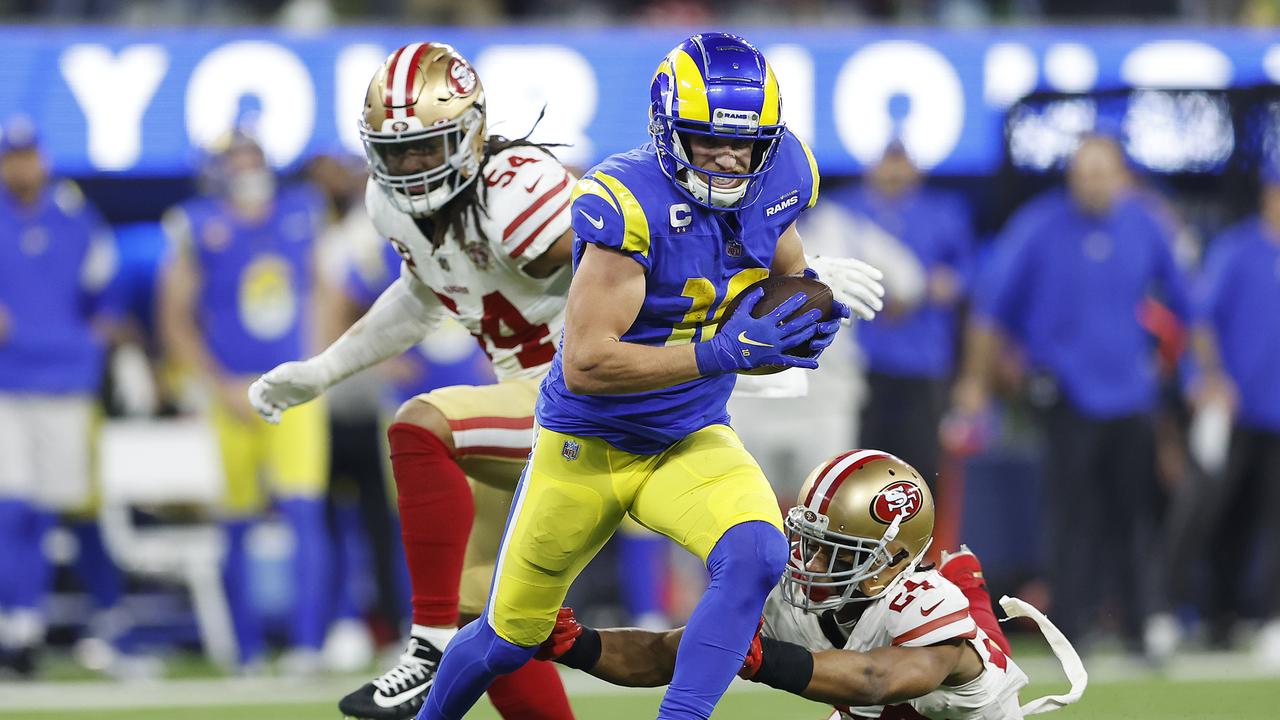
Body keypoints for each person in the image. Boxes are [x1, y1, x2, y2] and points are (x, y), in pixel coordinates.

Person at [248, 39, 883, 720]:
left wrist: (806, 280)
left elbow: (767, 244)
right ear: (669, 134)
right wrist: (724, 353)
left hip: (687, 433)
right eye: (707, 142)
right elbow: (585, 364)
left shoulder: (780, 173)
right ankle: (433, 649)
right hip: (585, 441)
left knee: (758, 553)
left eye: (747, 146)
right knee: (503, 631)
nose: (731, 160)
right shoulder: (624, 201)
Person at [537, 452, 1087, 720]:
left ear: (893, 558)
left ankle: (969, 585)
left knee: (972, 632)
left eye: (835, 551)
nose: (810, 561)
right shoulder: (795, 592)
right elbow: (668, 655)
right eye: (808, 539)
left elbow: (878, 678)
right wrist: (574, 643)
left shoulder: (920, 602)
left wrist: (760, 659)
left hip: (937, 710)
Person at [951, 133, 1191, 653]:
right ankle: (1073, 624)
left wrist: (1185, 371)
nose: (1093, 181)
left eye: (1103, 171)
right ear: (1070, 176)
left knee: (1135, 511)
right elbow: (991, 306)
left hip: (1132, 392)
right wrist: (976, 378)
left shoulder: (1146, 222)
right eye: (1084, 171)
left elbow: (1185, 299)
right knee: (1070, 514)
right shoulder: (1039, 225)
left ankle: (1144, 620)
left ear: (1122, 175)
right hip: (1066, 391)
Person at [157, 128, 333, 672]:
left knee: (304, 511)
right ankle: (246, 650)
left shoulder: (302, 214)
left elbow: (324, 292)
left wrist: (316, 366)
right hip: (231, 389)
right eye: (236, 159)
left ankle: (308, 644)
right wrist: (215, 382)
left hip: (295, 387)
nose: (246, 168)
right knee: (235, 519)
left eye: (253, 157)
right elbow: (175, 315)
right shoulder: (198, 223)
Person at [0, 116, 121, 676]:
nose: (20, 166)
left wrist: (91, 342)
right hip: (7, 382)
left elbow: (108, 296)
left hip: (65, 383)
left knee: (47, 512)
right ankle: (15, 627)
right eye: (11, 156)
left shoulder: (75, 218)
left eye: (27, 154)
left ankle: (25, 626)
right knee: (11, 507)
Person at [835, 140, 972, 489]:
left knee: (919, 472)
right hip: (857, 365)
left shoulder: (943, 213)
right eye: (887, 161)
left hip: (921, 364)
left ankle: (918, 544)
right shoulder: (843, 212)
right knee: (856, 473)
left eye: (901, 161)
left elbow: (968, 275)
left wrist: (941, 285)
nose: (894, 171)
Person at [1187, 165, 1280, 662]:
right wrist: (1212, 377)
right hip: (1236, 408)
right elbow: (1201, 320)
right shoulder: (1238, 248)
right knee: (1214, 516)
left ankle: (1272, 618)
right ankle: (1194, 614)